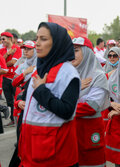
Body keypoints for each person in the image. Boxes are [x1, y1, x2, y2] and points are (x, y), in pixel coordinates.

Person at [18, 22, 80, 166]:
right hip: (32, 151)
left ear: (56, 43)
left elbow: (67, 111)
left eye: (43, 39)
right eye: (37, 38)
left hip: (55, 155)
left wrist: (41, 91)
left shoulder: (68, 73)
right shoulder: (38, 69)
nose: (37, 44)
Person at [72, 37, 110, 167]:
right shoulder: (68, 74)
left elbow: (91, 106)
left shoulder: (98, 75)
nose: (72, 54)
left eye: (76, 50)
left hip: (89, 132)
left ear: (87, 52)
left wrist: (63, 108)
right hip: (70, 132)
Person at [0, 32, 22, 126]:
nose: (2, 41)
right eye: (1, 39)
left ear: (10, 39)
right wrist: (7, 54)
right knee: (9, 100)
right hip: (5, 77)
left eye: (4, 39)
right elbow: (1, 62)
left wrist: (4, 62)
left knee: (17, 99)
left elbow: (13, 62)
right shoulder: (3, 50)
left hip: (14, 78)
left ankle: (19, 118)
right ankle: (12, 119)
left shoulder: (17, 48)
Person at [12, 40, 37, 123]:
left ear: (35, 50)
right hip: (21, 98)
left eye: (29, 49)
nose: (25, 51)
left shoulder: (41, 63)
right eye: (24, 49)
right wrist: (25, 73)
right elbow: (14, 82)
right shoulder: (22, 65)